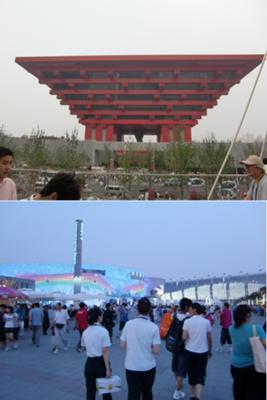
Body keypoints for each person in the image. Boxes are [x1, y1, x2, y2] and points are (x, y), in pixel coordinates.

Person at [120, 297, 161, 400]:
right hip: (148, 366)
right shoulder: (154, 327)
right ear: (150, 310)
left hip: (131, 366)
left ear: (137, 309)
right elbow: (156, 351)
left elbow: (122, 346)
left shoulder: (128, 325)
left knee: (133, 394)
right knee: (147, 392)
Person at [229, 304, 266, 400]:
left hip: (235, 365)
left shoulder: (231, 329)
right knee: (255, 391)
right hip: (252, 367)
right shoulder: (256, 328)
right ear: (247, 315)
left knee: (239, 390)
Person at [182, 303, 212, 400]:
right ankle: (198, 396)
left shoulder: (187, 322)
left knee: (191, 374)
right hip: (202, 352)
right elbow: (209, 338)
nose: (189, 311)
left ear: (195, 310)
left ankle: (192, 396)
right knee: (201, 374)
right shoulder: (206, 322)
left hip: (189, 352)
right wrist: (209, 350)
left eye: (190, 309)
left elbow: (184, 337)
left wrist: (186, 339)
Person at [81, 307, 112, 400]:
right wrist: (107, 369)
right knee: (106, 391)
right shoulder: (103, 331)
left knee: (90, 392)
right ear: (98, 317)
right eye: (101, 315)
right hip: (101, 363)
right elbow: (105, 351)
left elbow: (84, 346)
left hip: (89, 363)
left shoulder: (85, 332)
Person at [172, 298, 192, 400]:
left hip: (174, 345)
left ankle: (178, 382)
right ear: (186, 307)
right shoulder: (189, 319)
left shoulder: (173, 315)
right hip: (184, 347)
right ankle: (177, 391)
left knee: (176, 366)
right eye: (190, 306)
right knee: (182, 369)